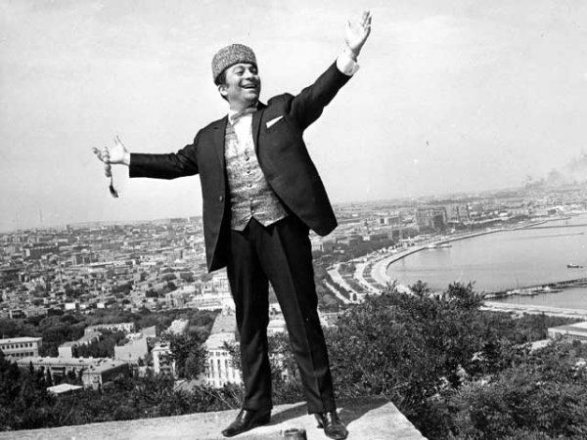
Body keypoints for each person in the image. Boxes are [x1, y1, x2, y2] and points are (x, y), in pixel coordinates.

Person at [94, 11, 371, 439]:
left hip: (282, 230)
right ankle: (256, 408)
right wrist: (126, 159)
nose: (250, 75)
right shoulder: (208, 137)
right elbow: (176, 163)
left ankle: (325, 410)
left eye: (253, 68)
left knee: (303, 320)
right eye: (240, 70)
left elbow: (317, 95)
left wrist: (349, 52)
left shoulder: (281, 111)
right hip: (239, 238)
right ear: (222, 87)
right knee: (249, 326)